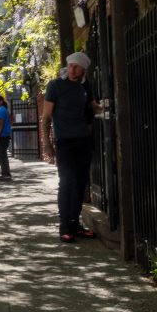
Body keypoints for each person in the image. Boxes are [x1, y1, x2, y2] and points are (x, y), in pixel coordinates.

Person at [42, 51, 103, 243]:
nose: (71, 69)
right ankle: (64, 226)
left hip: (83, 139)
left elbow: (93, 106)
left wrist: (103, 107)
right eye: (69, 66)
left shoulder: (86, 86)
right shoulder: (55, 86)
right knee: (66, 182)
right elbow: (46, 117)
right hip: (65, 141)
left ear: (83, 69)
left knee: (80, 183)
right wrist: (47, 144)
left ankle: (75, 224)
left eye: (76, 67)